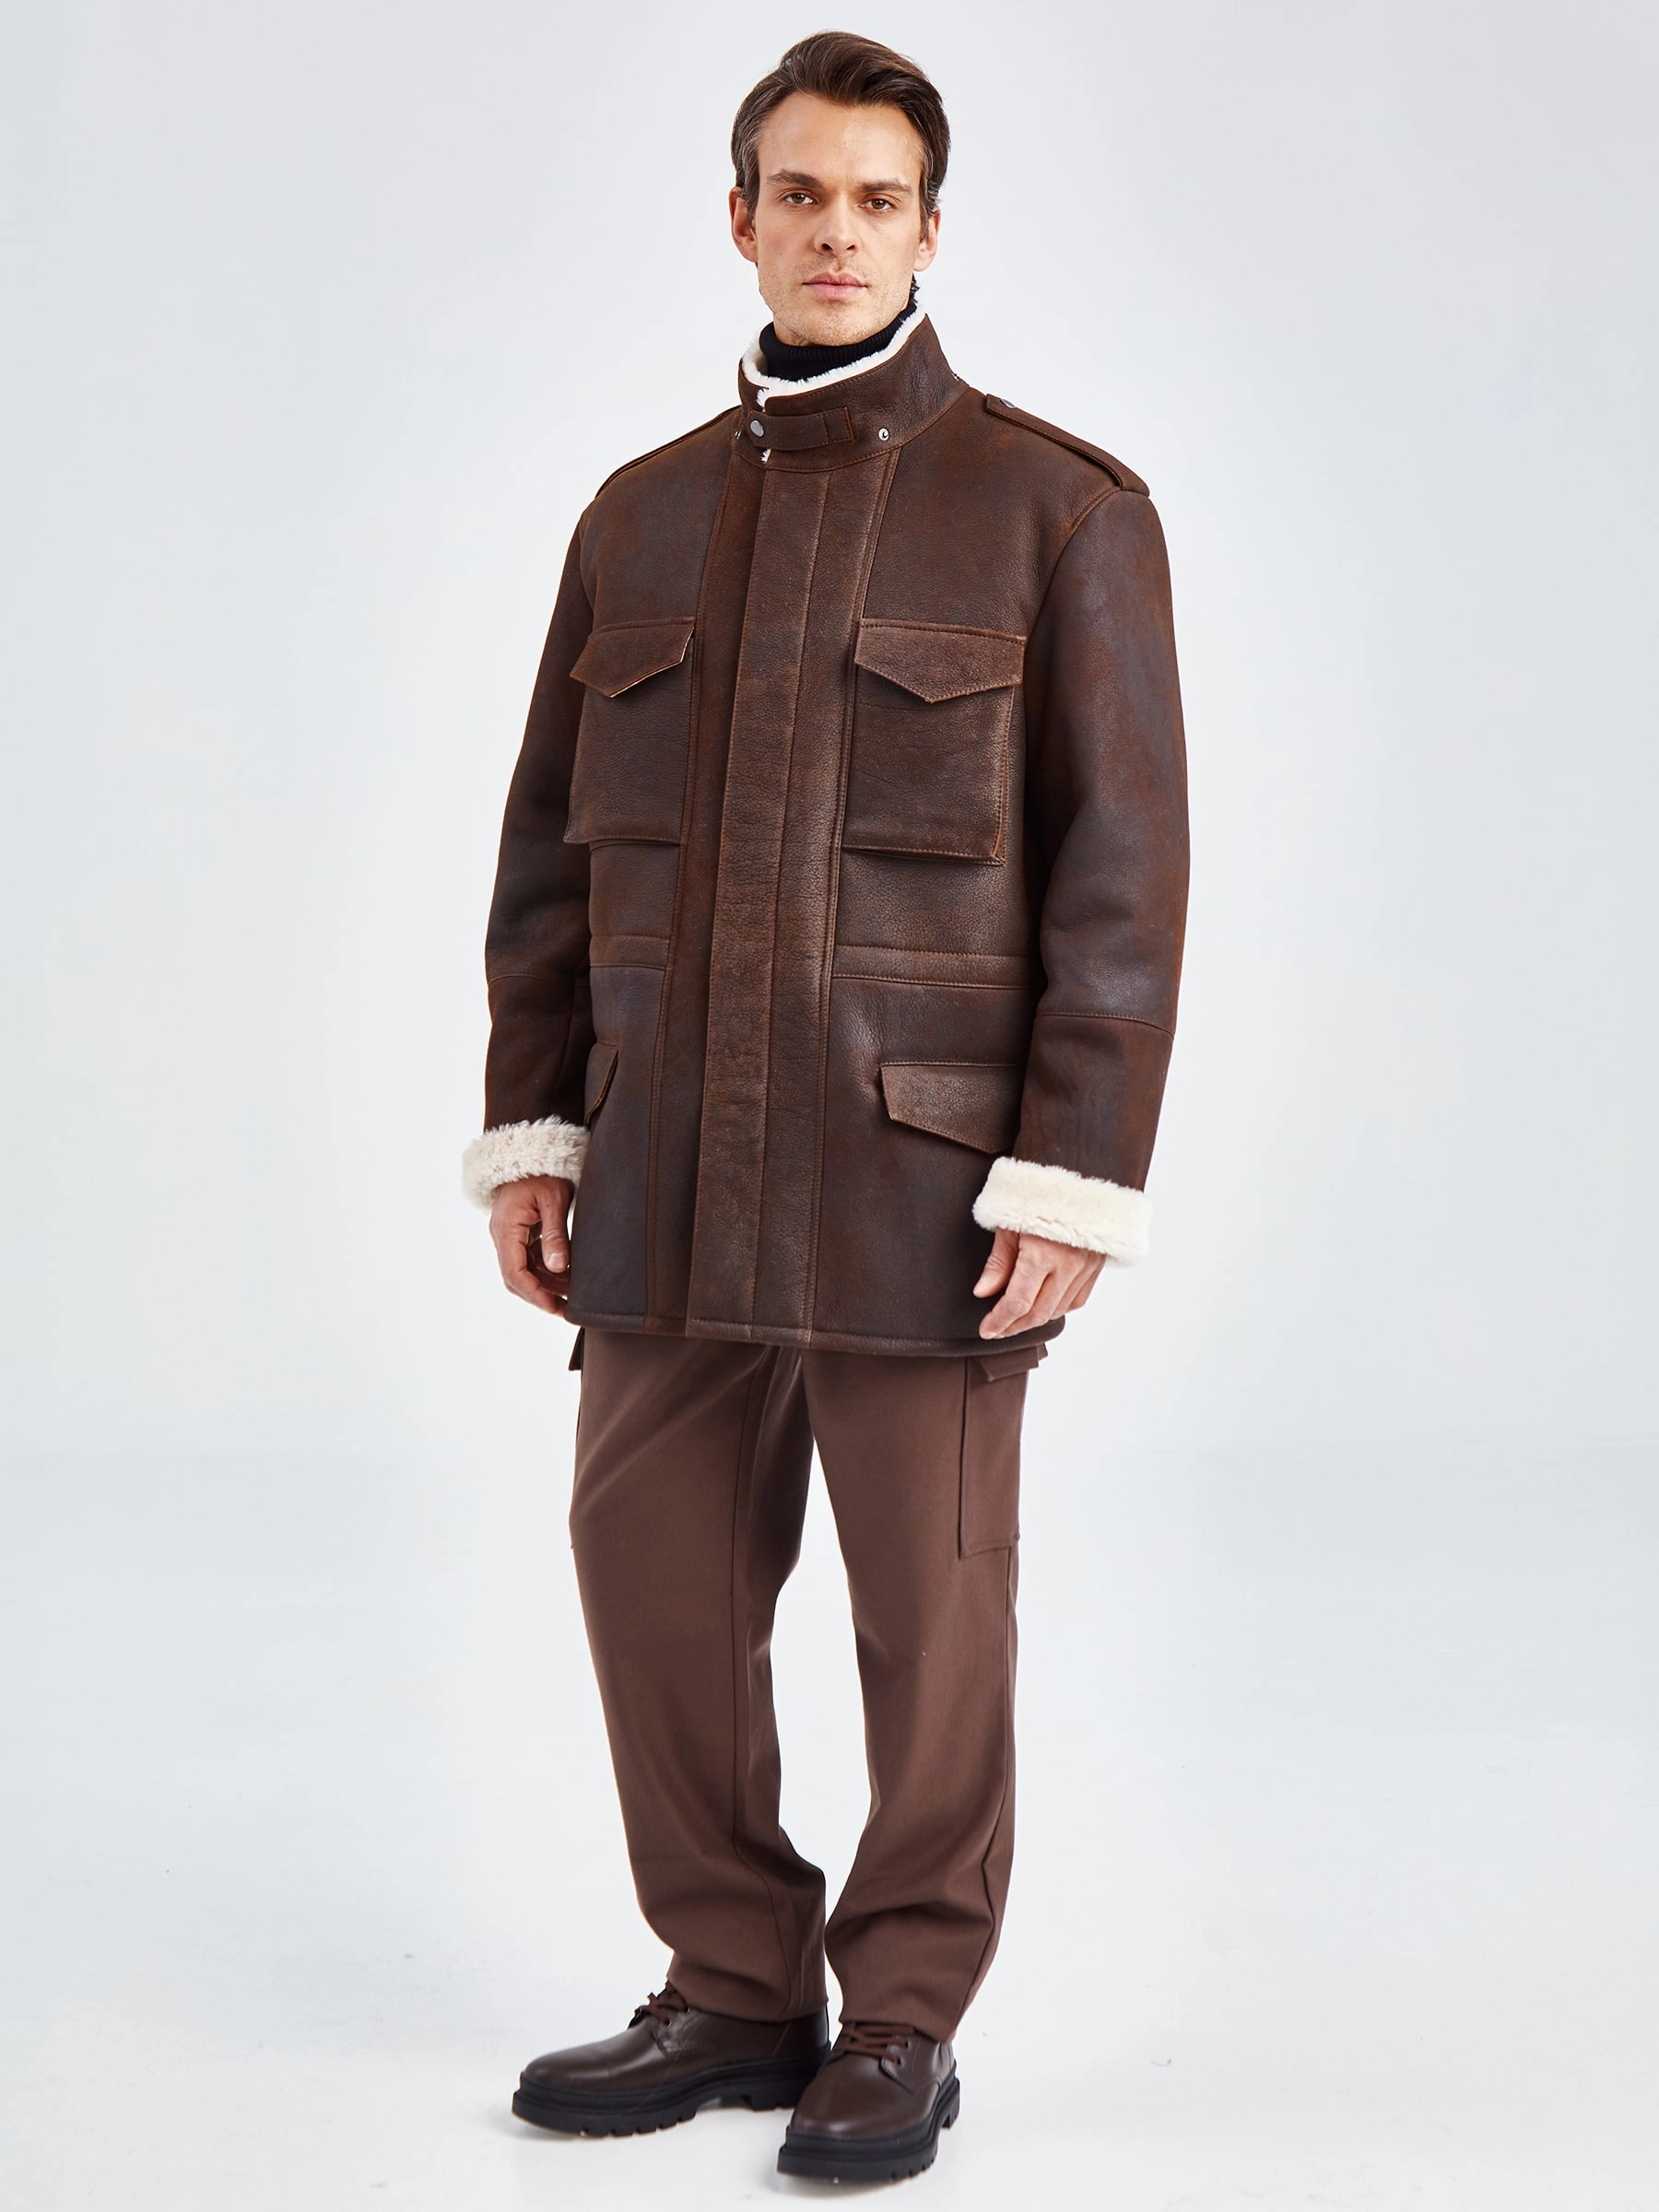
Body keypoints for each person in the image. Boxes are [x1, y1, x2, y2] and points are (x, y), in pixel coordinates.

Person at [461, 29, 1188, 2186]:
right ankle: (730, 1984)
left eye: (878, 200)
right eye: (801, 195)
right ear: (742, 218)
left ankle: (906, 2017)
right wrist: (539, 1126)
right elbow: (547, 859)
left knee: (931, 1618)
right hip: (667, 1161)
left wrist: (1075, 1166)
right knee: (649, 1577)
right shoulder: (641, 515)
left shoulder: (1060, 511)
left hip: (924, 1176)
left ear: (930, 229)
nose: (838, 233)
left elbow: (1125, 878)